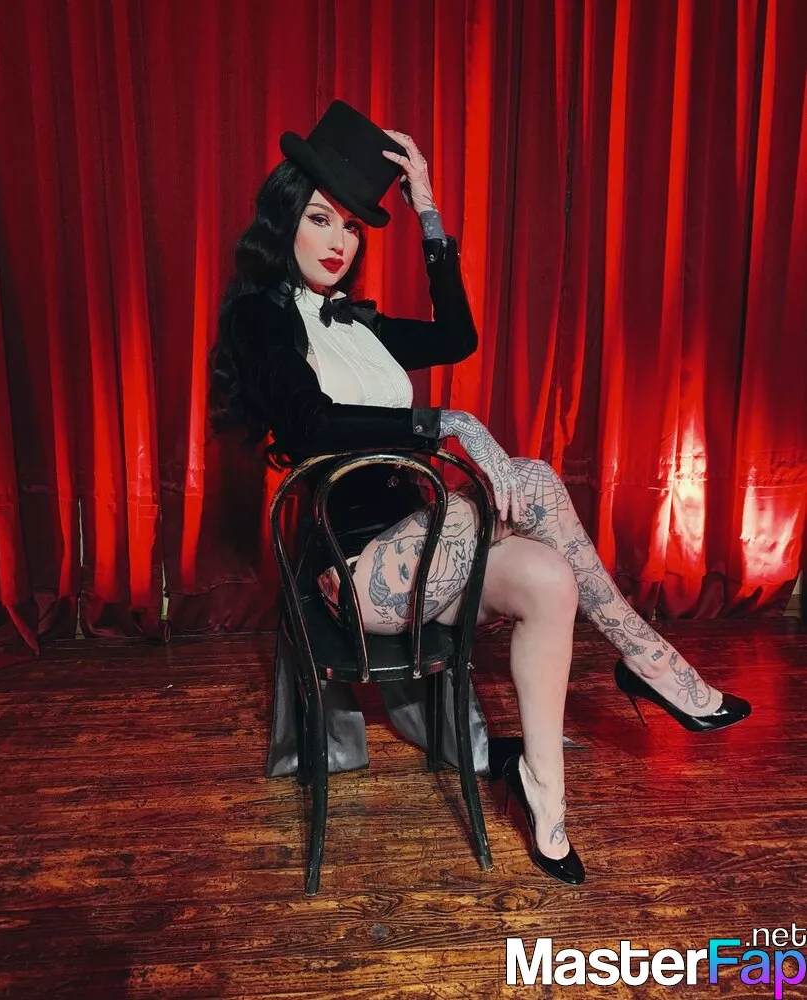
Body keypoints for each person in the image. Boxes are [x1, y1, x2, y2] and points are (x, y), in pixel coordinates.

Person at [209, 100, 751, 885]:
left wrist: (427, 210)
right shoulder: (260, 319)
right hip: (352, 571)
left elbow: (457, 336)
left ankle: (545, 797)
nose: (338, 243)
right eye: (321, 219)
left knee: (551, 579)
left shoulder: (356, 326)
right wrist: (447, 422)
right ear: (285, 217)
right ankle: (648, 660)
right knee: (532, 479)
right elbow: (310, 420)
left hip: (427, 548)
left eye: (352, 227)